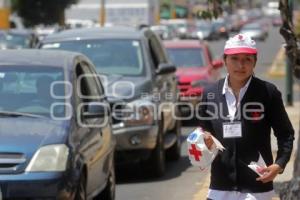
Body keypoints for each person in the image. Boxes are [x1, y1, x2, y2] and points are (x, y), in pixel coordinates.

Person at [198, 33, 294, 200]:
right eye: (234, 58)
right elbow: (203, 130)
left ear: (254, 62)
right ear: (225, 60)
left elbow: (286, 134)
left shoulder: (268, 93)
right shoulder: (210, 93)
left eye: (247, 59)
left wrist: (279, 165)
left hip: (257, 186)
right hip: (220, 187)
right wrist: (204, 138)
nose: (240, 65)